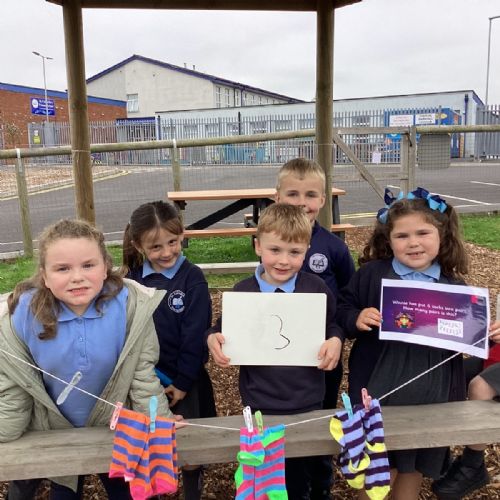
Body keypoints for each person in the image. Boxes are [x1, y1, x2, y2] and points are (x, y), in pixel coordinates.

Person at [0, 219, 174, 500]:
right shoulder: (21, 316)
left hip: (117, 430)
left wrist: (159, 421)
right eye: (63, 269)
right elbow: (16, 384)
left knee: (128, 493)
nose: (77, 277)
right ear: (45, 276)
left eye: (88, 265)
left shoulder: (131, 306)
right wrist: (4, 429)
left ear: (105, 267)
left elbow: (141, 374)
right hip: (54, 431)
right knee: (61, 492)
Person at [336, 187, 481, 500]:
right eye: (402, 236)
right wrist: (356, 317)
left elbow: (470, 336)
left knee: (413, 467)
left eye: (423, 233)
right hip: (378, 390)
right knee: (377, 468)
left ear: (442, 236)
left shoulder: (454, 286)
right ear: (389, 240)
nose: (413, 242)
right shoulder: (372, 275)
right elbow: (342, 307)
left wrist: (485, 334)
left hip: (431, 391)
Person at [207, 203, 344, 500]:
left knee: (297, 478)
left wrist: (335, 340)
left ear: (306, 250)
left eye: (294, 252)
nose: (283, 260)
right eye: (275, 250)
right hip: (260, 402)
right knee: (263, 476)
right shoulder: (243, 292)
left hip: (306, 401)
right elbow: (219, 328)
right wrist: (212, 339)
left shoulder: (316, 288)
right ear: (258, 246)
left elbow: (332, 324)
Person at [122, 200, 216, 500]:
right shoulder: (130, 281)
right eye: (156, 247)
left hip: (185, 381)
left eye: (172, 242)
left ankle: (192, 491)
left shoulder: (192, 278)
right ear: (138, 245)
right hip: (144, 382)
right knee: (151, 442)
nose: (166, 252)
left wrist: (183, 382)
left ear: (181, 234)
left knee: (190, 447)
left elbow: (196, 336)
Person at [275, 157, 355, 498]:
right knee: (285, 423)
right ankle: (291, 484)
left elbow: (348, 299)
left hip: (323, 357)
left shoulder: (334, 247)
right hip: (280, 360)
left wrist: (338, 336)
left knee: (321, 419)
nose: (302, 203)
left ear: (323, 199)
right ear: (277, 197)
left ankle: (321, 485)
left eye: (310, 195)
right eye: (292, 194)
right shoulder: (270, 243)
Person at [432, 322, 500, 499]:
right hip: (496, 356)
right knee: (447, 374)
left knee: (480, 387)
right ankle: (438, 455)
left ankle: (473, 465)